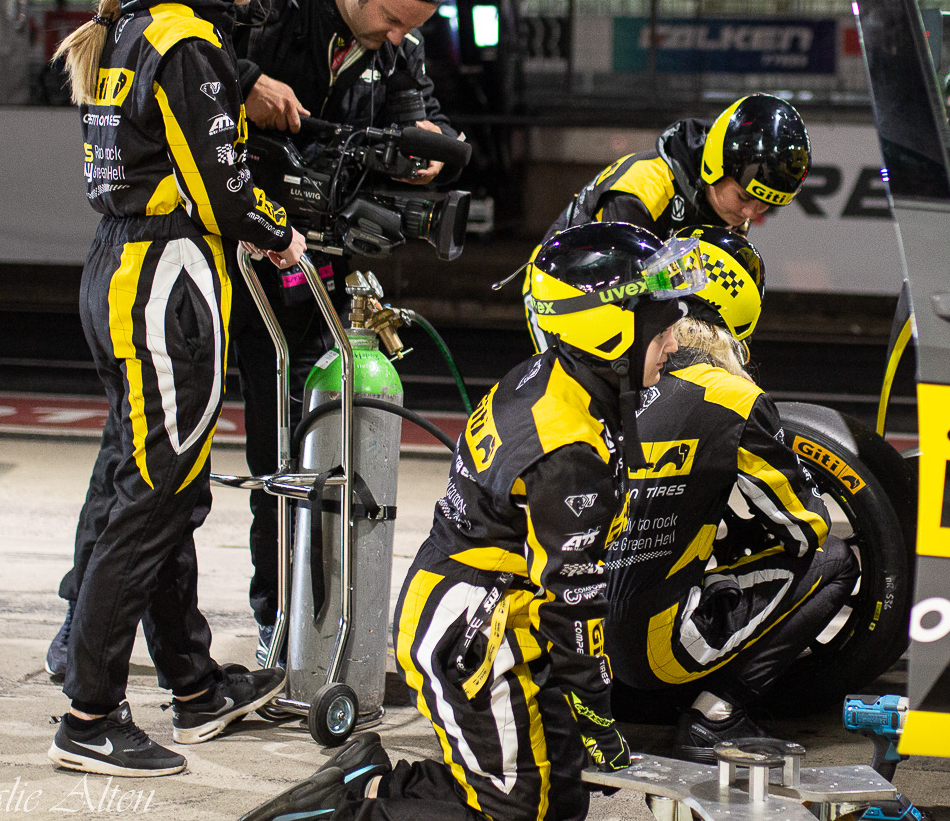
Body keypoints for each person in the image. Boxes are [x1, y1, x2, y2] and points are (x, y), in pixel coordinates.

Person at [238, 222, 706, 821]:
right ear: (608, 329)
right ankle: (335, 815)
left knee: (560, 800)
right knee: (519, 814)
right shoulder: (568, 451)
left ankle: (369, 776)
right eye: (662, 330)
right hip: (472, 632)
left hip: (475, 607)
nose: (672, 345)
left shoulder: (557, 379)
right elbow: (574, 605)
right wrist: (598, 715)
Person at [46, 0, 307, 778]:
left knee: (158, 486)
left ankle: (190, 683)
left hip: (130, 270)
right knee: (153, 497)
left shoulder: (148, 23)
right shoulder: (184, 38)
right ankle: (88, 710)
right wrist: (284, 236)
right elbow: (225, 192)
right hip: (166, 280)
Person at [229, 0, 461, 663]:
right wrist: (244, 82)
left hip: (317, 253)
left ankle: (304, 610)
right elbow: (184, 58)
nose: (397, 39)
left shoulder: (399, 42)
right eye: (392, 21)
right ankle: (275, 612)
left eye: (412, 29)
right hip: (236, 245)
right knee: (248, 443)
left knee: (316, 432)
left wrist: (425, 147)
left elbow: (416, 112)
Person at [604, 226, 857, 761]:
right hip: (657, 654)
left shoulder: (607, 380)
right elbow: (802, 528)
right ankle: (715, 717)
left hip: (591, 660)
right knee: (834, 559)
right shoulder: (730, 396)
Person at [529, 94, 810, 346]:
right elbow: (621, 300)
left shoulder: (729, 204)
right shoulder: (640, 194)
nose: (751, 213)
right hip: (566, 289)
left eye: (764, 204)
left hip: (645, 291)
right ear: (716, 166)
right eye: (744, 198)